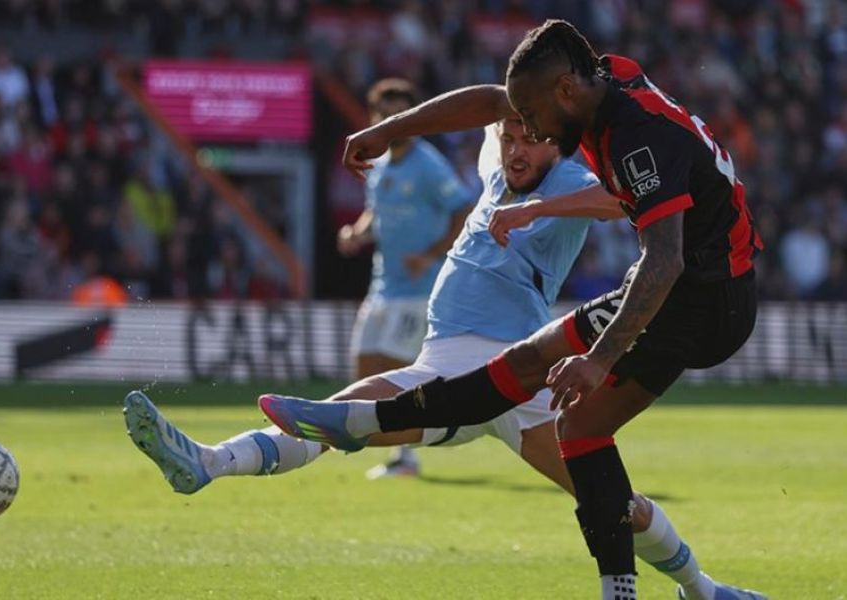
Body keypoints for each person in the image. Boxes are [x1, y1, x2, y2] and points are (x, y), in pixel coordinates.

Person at [125, 117, 760, 600]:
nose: (517, 149)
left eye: (532, 139)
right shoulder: (499, 165)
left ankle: (703, 590)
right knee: (336, 418)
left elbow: (626, 202)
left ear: (557, 142)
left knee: (610, 500)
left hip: (496, 360)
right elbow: (487, 103)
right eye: (510, 137)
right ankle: (704, 589)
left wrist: (540, 207)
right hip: (471, 363)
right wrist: (398, 127)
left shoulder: (569, 177)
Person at [259, 19, 765, 600]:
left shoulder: (635, 139)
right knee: (571, 419)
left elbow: (665, 259)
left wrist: (598, 359)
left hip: (705, 299)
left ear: (565, 91)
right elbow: (489, 101)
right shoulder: (603, 82)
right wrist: (390, 129)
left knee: (556, 399)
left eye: (531, 116)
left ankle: (361, 422)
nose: (528, 129)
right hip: (687, 286)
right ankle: (680, 593)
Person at [338, 78, 474, 478]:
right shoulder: (378, 166)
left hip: (419, 288)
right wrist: (356, 233)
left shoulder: (429, 164)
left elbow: (462, 209)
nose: (393, 121)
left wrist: (430, 254)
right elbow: (375, 212)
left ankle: (406, 457)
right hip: (383, 284)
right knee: (365, 366)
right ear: (374, 118)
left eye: (401, 114)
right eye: (386, 114)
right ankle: (390, 445)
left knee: (395, 370)